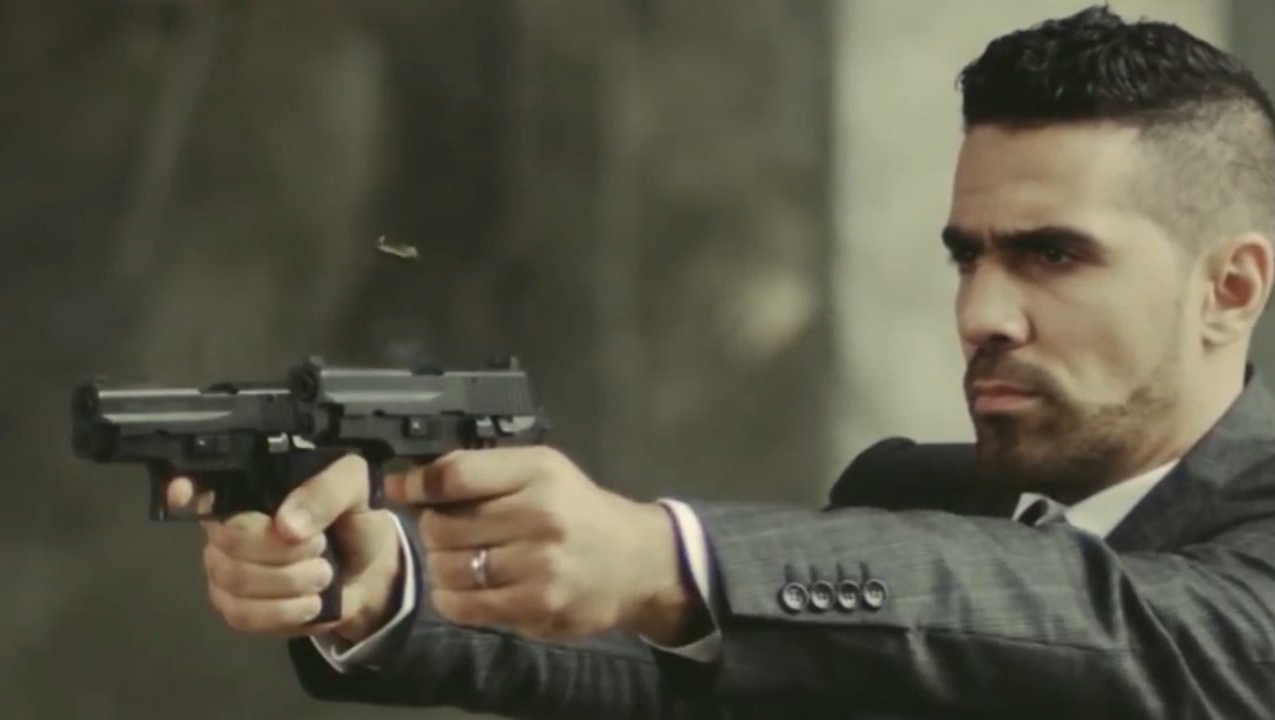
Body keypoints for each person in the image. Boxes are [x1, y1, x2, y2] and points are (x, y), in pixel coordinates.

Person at [176, 6, 1275, 718]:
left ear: (1228, 288)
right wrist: (391, 590)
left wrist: (667, 555)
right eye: (965, 256)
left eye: (1052, 256)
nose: (980, 312)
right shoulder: (911, 500)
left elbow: (1108, 630)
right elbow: (685, 667)